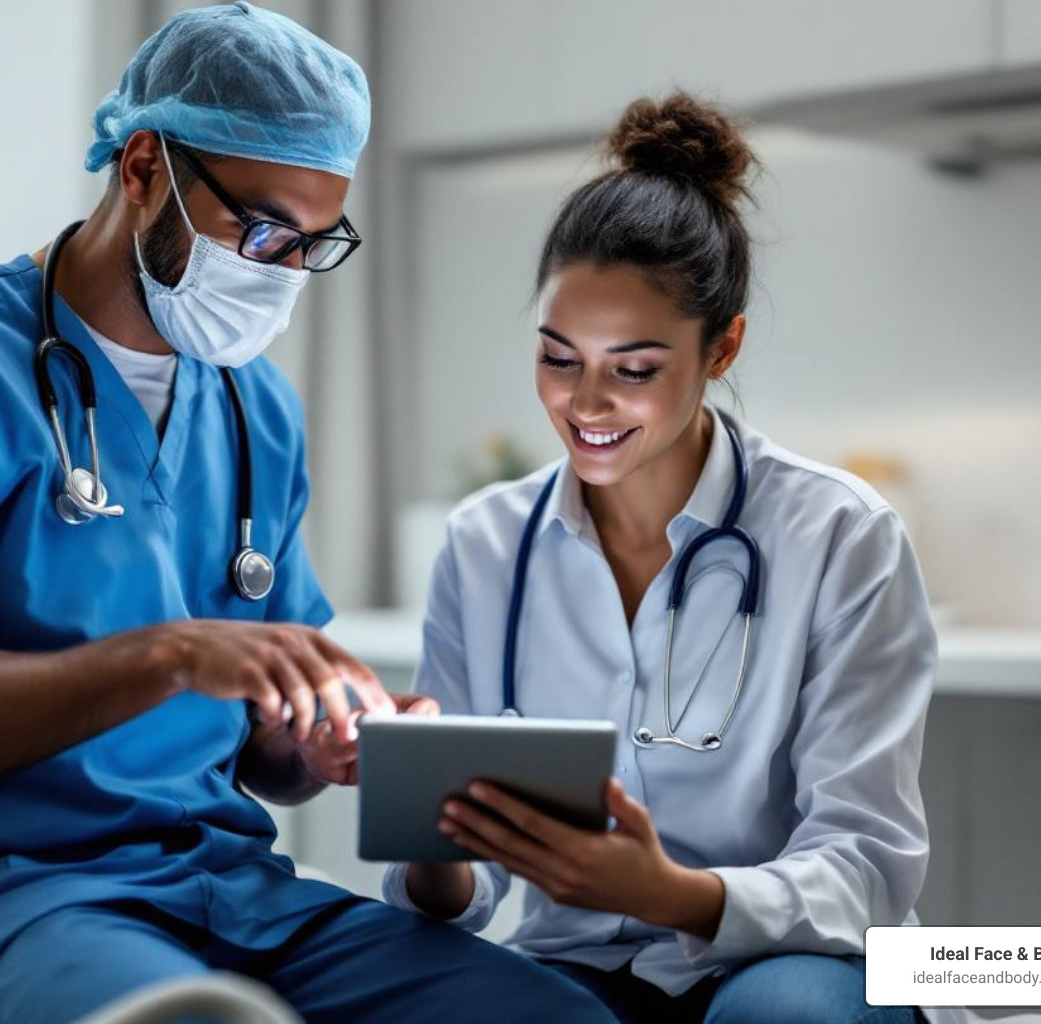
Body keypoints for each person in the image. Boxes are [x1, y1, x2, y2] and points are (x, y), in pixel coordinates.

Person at [0, 5, 617, 1024]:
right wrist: (170, 655)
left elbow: (271, 762)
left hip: (231, 890)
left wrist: (325, 742)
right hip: (8, 896)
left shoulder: (254, 405)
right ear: (145, 167)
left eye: (312, 246)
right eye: (262, 232)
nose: (280, 275)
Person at [383, 92, 936, 1024]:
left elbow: (867, 870)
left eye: (634, 369)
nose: (585, 403)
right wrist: (432, 831)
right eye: (559, 358)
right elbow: (457, 893)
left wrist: (668, 893)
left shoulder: (841, 535)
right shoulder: (485, 545)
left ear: (723, 348)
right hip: (580, 965)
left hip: (801, 959)